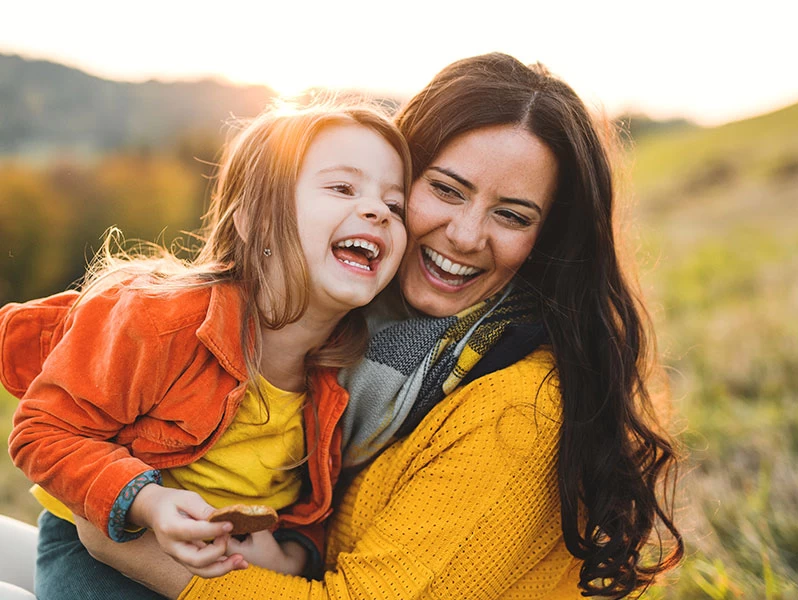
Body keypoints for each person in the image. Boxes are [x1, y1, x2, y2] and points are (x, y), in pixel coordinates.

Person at [10, 51, 686, 599]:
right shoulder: (358, 346)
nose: (465, 234)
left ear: (548, 240)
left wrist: (135, 538)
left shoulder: (511, 407)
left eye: (512, 215)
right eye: (444, 189)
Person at [0, 100, 410, 599]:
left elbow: (308, 508)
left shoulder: (345, 377)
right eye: (343, 188)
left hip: (222, 572)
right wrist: (147, 502)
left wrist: (289, 556)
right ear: (255, 220)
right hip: (102, 545)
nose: (377, 211)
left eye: (395, 206)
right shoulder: (161, 320)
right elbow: (42, 431)